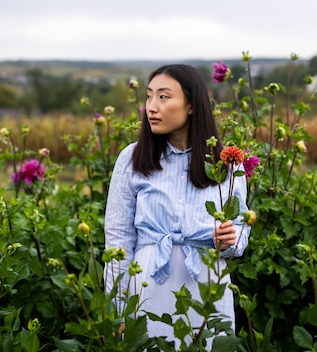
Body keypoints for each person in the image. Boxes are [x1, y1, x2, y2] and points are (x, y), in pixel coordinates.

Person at [104, 64, 250, 346]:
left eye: (163, 97)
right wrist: (117, 309)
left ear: (192, 105)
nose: (151, 107)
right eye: (148, 97)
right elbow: (118, 240)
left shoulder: (226, 163)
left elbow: (241, 229)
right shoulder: (132, 158)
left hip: (207, 285)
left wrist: (231, 238)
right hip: (148, 283)